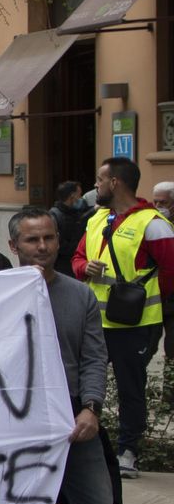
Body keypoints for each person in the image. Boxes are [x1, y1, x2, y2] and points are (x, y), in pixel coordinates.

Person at [7, 206, 135, 504]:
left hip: (74, 420)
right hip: (19, 424)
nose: (41, 248)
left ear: (59, 242)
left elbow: (95, 357)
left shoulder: (80, 296)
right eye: (31, 240)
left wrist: (92, 409)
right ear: (14, 247)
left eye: (48, 239)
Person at [74, 156, 174, 479]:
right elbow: (78, 257)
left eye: (100, 180)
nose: (96, 185)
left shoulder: (153, 223)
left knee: (132, 388)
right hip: (94, 323)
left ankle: (128, 451)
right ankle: (82, 443)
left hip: (136, 325)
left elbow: (171, 272)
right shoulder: (95, 219)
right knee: (82, 382)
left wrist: (150, 304)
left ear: (115, 183)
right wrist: (82, 268)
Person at [51, 181, 91, 258]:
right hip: (63, 262)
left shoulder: (75, 212)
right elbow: (60, 244)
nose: (81, 198)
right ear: (72, 196)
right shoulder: (55, 215)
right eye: (79, 195)